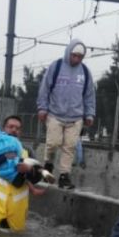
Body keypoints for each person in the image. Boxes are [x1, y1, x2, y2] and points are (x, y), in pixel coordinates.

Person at [36, 39, 96, 189]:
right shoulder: (56, 67)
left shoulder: (85, 73)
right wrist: (42, 108)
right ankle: (48, 165)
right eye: (74, 56)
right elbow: (45, 88)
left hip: (76, 117)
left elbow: (89, 95)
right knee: (53, 143)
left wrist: (89, 114)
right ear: (69, 53)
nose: (76, 59)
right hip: (55, 114)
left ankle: (64, 176)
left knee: (69, 147)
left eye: (80, 57)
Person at [0, 115, 49, 230]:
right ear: (3, 129)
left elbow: (37, 176)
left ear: (20, 132)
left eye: (17, 128)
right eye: (11, 127)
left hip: (15, 209)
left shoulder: (27, 151)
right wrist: (4, 157)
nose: (14, 130)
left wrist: (28, 170)